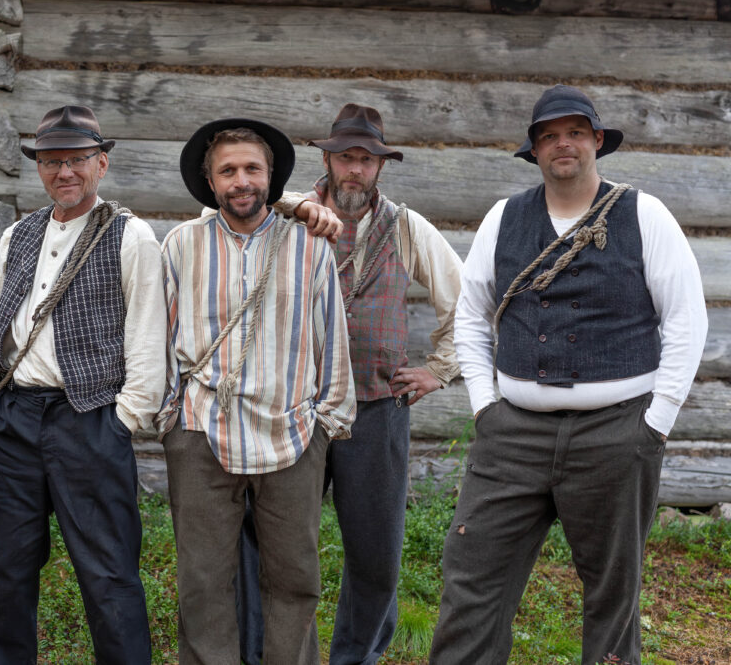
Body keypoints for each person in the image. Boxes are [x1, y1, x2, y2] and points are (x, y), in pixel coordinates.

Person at [429, 85, 707, 665]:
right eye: (549, 135)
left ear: (597, 141)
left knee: (612, 593)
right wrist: (485, 405)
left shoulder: (644, 213)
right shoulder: (504, 218)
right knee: (471, 579)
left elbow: (687, 321)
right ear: (533, 150)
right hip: (512, 435)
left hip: (617, 433)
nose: (563, 144)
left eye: (576, 132)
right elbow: (471, 317)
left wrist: (654, 425)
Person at [235, 103, 464, 665]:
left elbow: (465, 302)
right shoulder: (286, 216)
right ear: (328, 159)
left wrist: (439, 368)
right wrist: (289, 203)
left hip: (377, 409)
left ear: (381, 167)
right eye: (345, 158)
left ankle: (353, 658)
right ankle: (273, 652)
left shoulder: (406, 226)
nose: (354, 170)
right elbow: (220, 225)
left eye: (366, 160)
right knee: (274, 545)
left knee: (375, 552)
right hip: (295, 408)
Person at [0, 105, 164, 665]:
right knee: (7, 570)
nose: (64, 172)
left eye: (76, 159)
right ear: (40, 168)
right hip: (12, 418)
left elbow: (149, 334)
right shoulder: (19, 234)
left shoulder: (131, 235)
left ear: (101, 163)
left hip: (90, 419)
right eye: (52, 161)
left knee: (108, 572)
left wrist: (124, 418)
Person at [156, 117, 356, 664]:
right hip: (200, 434)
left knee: (295, 579)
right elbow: (161, 337)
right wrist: (170, 420)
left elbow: (330, 336)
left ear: (271, 176)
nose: (241, 181)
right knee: (203, 582)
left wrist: (327, 422)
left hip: (290, 429)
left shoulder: (310, 247)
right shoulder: (181, 246)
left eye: (252, 168)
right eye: (228, 171)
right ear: (210, 180)